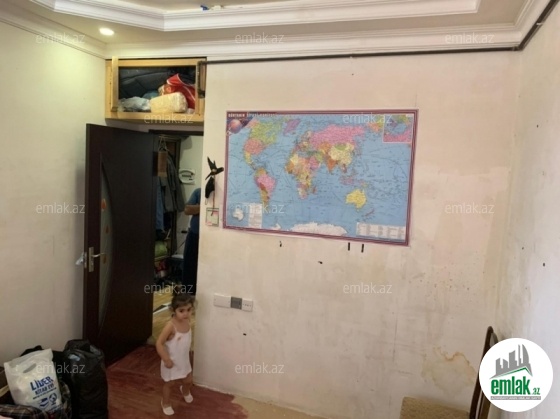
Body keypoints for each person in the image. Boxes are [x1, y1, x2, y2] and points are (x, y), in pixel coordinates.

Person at [156, 293, 196, 415]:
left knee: (188, 380)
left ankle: (185, 390)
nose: (186, 314)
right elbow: (159, 343)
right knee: (169, 384)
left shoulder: (187, 321)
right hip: (171, 362)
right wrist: (166, 359)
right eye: (181, 311)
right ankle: (165, 402)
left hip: (183, 360)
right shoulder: (171, 326)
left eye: (189, 310)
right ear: (173, 310)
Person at [183, 187, 201, 294]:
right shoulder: (199, 191)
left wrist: (197, 208)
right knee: (189, 266)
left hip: (211, 238)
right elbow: (187, 210)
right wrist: (203, 207)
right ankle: (187, 294)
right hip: (194, 234)